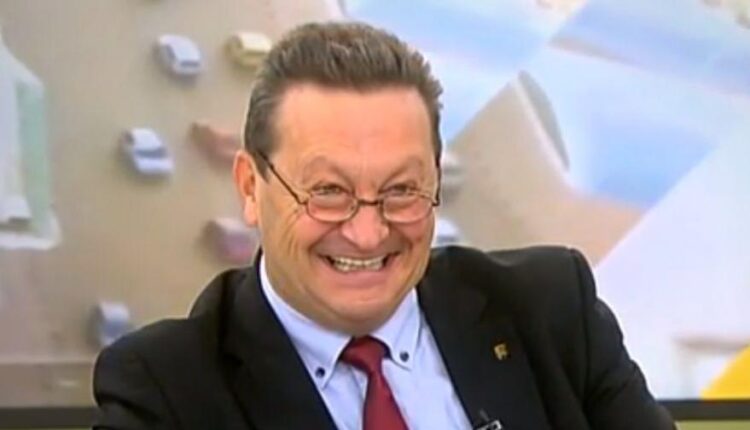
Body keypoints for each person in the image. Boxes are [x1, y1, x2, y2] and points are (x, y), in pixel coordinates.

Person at [93, 21, 675, 430]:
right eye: (328, 193)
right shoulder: (167, 391)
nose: (368, 234)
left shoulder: (552, 311)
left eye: (401, 191)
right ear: (250, 186)